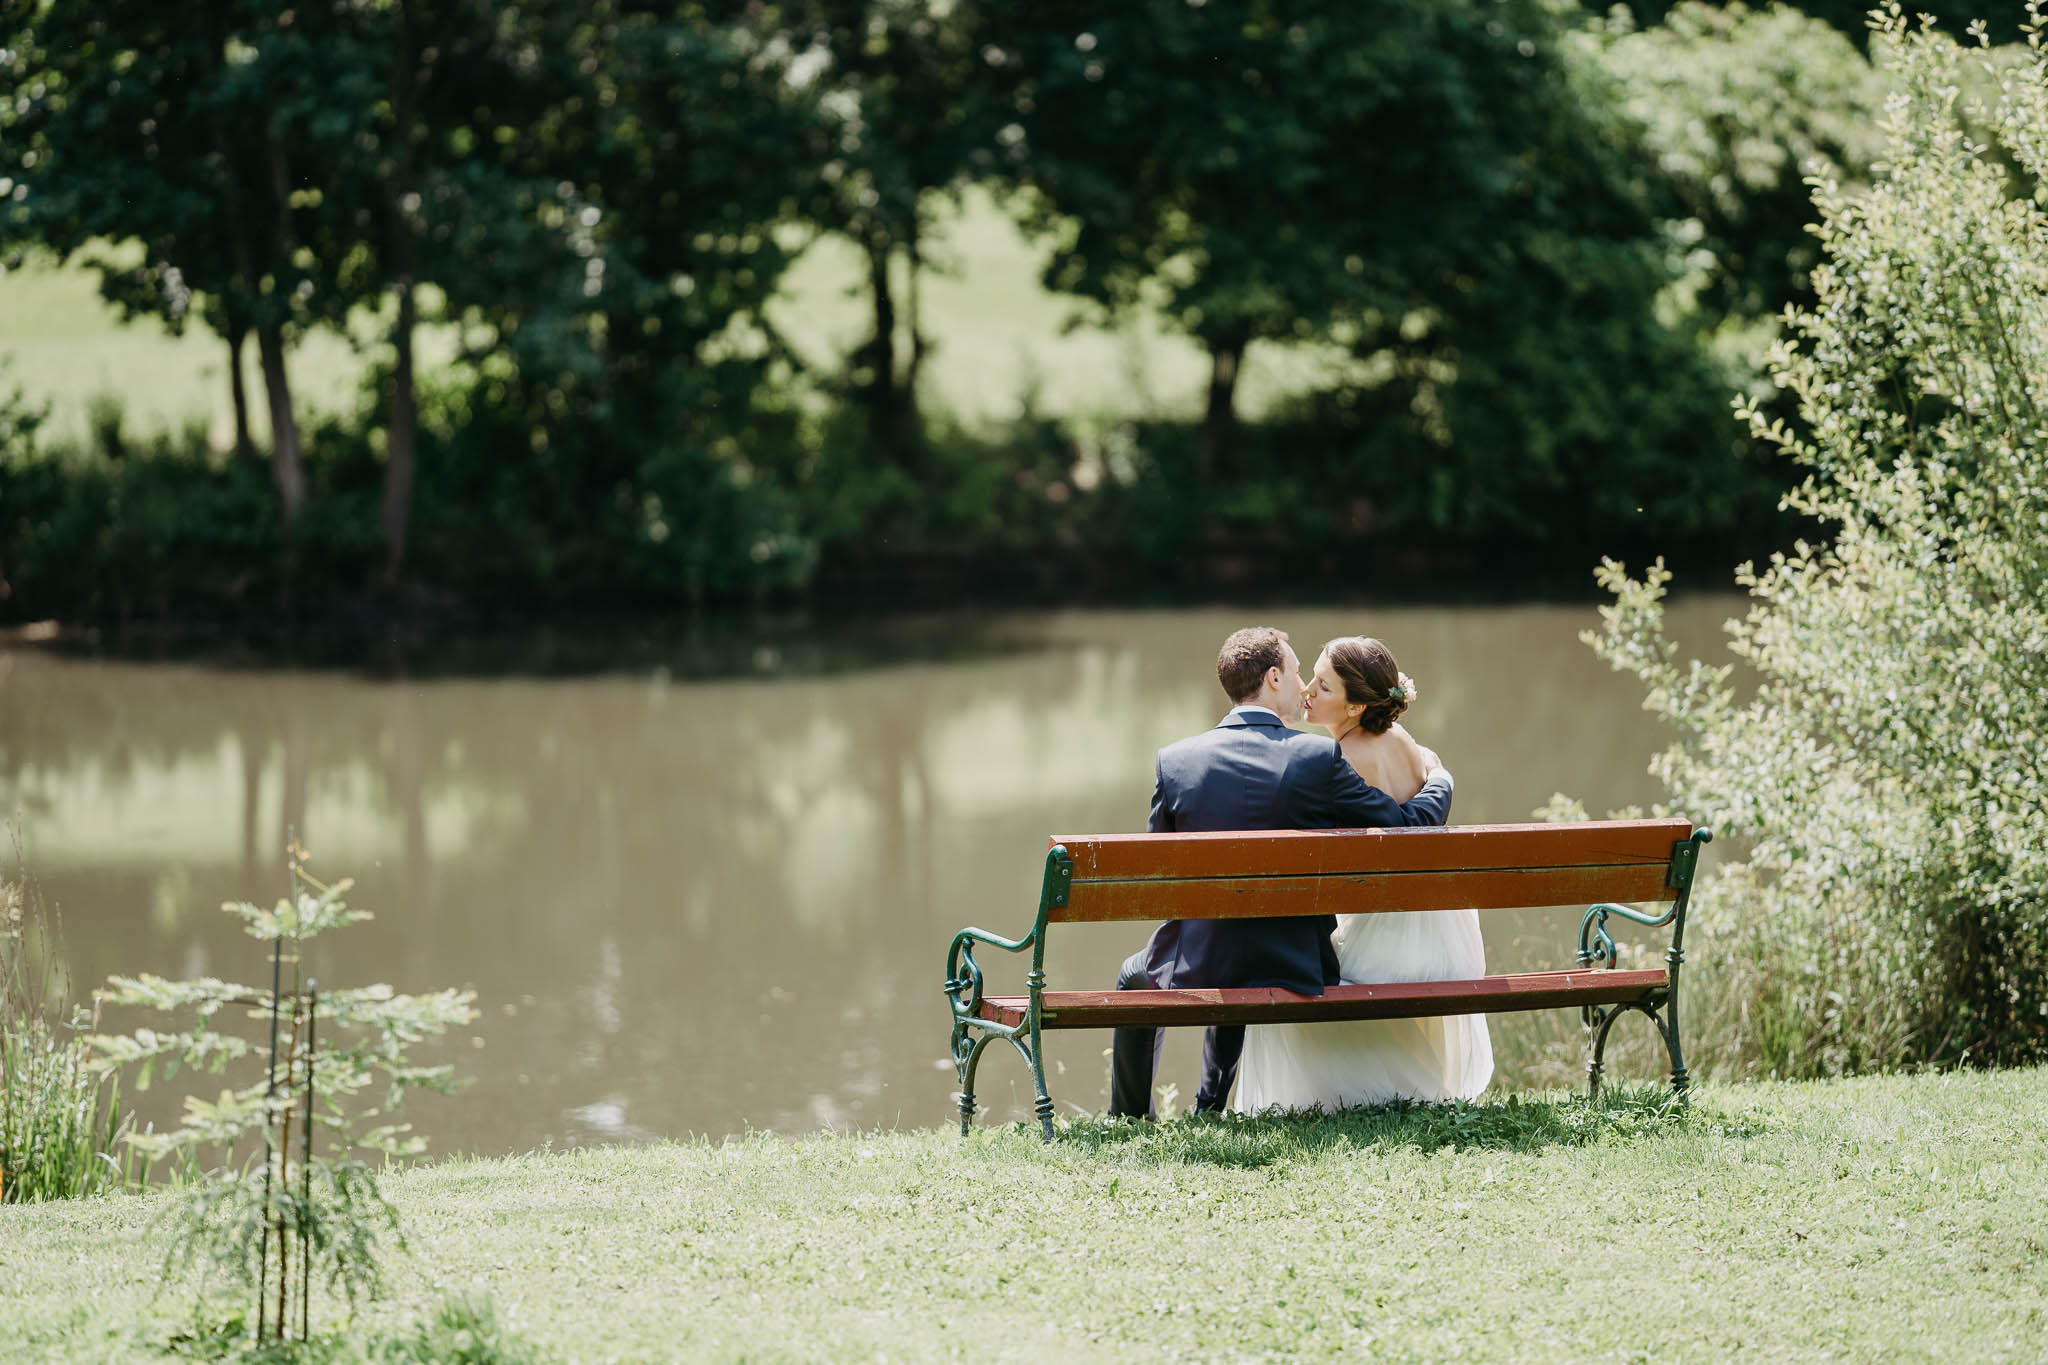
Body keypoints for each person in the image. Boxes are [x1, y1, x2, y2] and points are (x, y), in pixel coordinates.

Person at [1108, 627, 1454, 1120]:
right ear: (1273, 678)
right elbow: (1404, 825)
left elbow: (1160, 876)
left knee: (1140, 971)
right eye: (1296, 672)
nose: (1303, 687)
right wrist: (1439, 778)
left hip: (1206, 957)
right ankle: (1208, 1105)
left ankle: (1129, 1118)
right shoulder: (1316, 757)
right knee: (1246, 944)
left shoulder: (1175, 762)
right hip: (1297, 959)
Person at [1231, 636, 1493, 1112]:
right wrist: (1443, 779)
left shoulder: (1339, 762)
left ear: (1354, 707)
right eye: (1310, 675)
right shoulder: (1411, 746)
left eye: (1324, 687)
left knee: (1277, 968)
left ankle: (1331, 1098)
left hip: (1385, 946)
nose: (1307, 689)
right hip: (1437, 936)